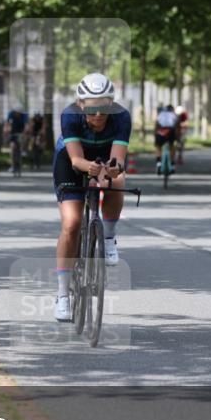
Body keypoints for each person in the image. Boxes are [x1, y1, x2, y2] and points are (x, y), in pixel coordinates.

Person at [52, 73, 131, 322]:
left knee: (117, 181)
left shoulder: (121, 117)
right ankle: (63, 296)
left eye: (103, 107)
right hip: (72, 160)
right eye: (92, 107)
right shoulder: (70, 115)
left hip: (103, 157)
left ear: (111, 104)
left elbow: (118, 158)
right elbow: (76, 160)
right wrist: (90, 169)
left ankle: (108, 237)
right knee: (72, 224)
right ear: (81, 104)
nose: (98, 114)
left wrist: (113, 169)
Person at [154, 105, 179, 174]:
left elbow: (156, 125)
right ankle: (172, 165)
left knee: (158, 146)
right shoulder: (174, 115)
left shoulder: (160, 114)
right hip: (171, 131)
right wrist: (177, 138)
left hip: (161, 131)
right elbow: (177, 127)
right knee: (172, 147)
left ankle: (158, 163)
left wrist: (155, 136)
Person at [3, 106, 29, 172]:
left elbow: (26, 126)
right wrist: (6, 131)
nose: (17, 113)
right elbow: (7, 124)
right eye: (16, 112)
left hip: (21, 132)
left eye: (19, 112)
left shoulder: (24, 116)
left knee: (23, 140)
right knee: (12, 148)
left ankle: (23, 150)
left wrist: (25, 132)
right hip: (13, 133)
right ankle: (12, 165)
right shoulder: (10, 114)